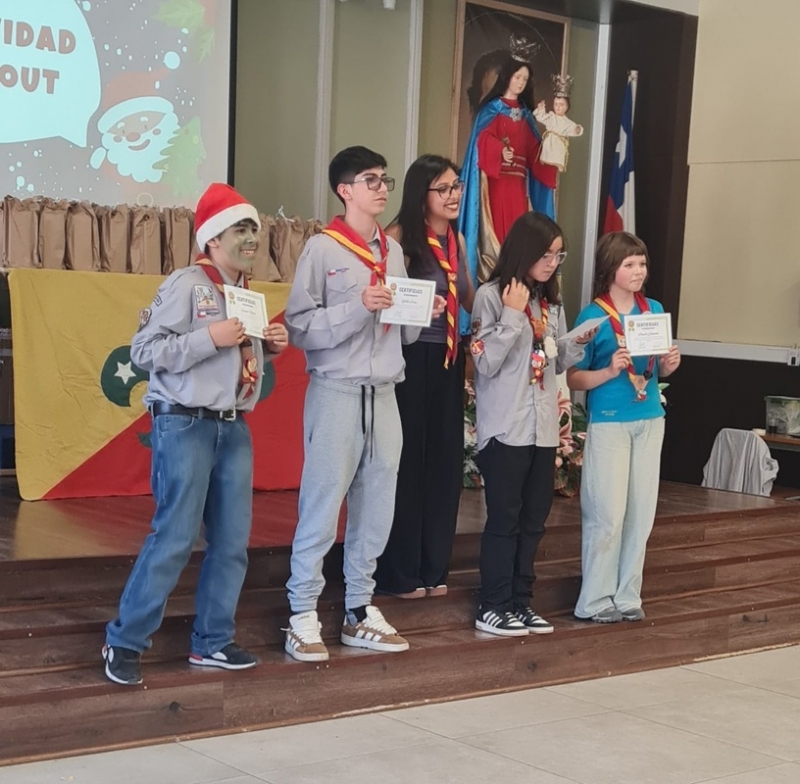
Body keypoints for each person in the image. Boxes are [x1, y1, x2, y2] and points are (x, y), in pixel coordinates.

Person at [103, 183, 289, 685]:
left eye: (254, 228)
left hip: (233, 425)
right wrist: (210, 337)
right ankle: (124, 641)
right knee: (176, 537)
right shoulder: (186, 284)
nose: (251, 238)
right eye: (239, 229)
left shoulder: (246, 292)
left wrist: (268, 346)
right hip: (184, 422)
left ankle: (212, 642)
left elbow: (236, 358)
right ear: (211, 239)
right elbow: (143, 351)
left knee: (231, 542)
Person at [283, 146, 446, 662]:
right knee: (323, 502)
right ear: (344, 190)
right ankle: (302, 612)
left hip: (385, 391)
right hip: (337, 391)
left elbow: (400, 332)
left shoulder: (393, 252)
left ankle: (358, 608)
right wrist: (358, 306)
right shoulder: (322, 250)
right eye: (369, 180)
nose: (380, 188)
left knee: (377, 506)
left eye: (385, 180)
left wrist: (425, 309)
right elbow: (299, 327)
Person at [470, 211, 595, 637]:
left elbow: (550, 359)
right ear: (524, 250)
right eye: (546, 254)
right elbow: (484, 363)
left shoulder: (549, 303)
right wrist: (510, 316)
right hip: (506, 427)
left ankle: (521, 602)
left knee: (534, 519)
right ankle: (493, 604)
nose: (552, 263)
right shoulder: (491, 296)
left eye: (559, 256)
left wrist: (575, 343)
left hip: (541, 428)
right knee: (504, 518)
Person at [374, 154, 475, 600]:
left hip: (450, 361)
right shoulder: (398, 240)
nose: (453, 196)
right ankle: (401, 571)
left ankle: (434, 569)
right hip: (410, 361)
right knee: (407, 465)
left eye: (456, 187)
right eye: (444, 189)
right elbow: (384, 301)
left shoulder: (456, 241)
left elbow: (471, 296)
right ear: (422, 194)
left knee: (443, 465)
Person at [567, 231, 681, 623]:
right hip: (611, 422)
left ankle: (628, 595)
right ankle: (595, 600)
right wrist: (607, 370)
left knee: (640, 513)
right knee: (608, 513)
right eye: (629, 264)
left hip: (649, 419)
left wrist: (669, 364)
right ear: (610, 268)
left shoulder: (653, 309)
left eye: (642, 264)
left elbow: (657, 369)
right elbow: (573, 378)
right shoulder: (592, 316)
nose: (638, 271)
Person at [459, 53, 558, 292]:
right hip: (495, 186)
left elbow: (535, 151)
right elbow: (482, 141)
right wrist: (499, 150)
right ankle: (496, 280)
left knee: (520, 233)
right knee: (497, 234)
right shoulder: (491, 110)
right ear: (507, 78)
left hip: (518, 188)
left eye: (525, 78)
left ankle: (519, 280)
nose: (521, 82)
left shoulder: (527, 114)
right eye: (517, 76)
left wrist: (554, 149)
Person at [533, 87, 583, 173]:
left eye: (561, 105)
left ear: (567, 107)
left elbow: (573, 129)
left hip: (558, 145)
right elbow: (541, 117)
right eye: (556, 104)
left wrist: (577, 129)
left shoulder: (567, 122)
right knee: (545, 165)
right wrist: (541, 109)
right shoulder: (551, 117)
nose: (558, 107)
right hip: (549, 144)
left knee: (554, 166)